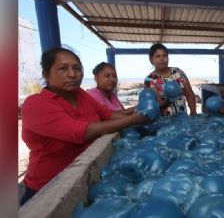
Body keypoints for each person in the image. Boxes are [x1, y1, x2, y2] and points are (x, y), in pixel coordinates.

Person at [20, 48, 152, 205]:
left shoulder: (81, 95)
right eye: (63, 68)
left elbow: (110, 115)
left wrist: (145, 108)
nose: (72, 74)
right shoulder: (36, 104)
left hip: (87, 179)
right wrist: (136, 119)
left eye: (77, 68)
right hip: (48, 190)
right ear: (46, 74)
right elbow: (83, 131)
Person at [145, 43, 197, 116]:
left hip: (183, 119)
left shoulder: (178, 72)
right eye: (158, 56)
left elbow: (189, 93)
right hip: (163, 122)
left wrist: (193, 112)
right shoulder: (149, 80)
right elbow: (155, 104)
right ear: (151, 60)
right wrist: (169, 99)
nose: (162, 59)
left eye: (164, 56)